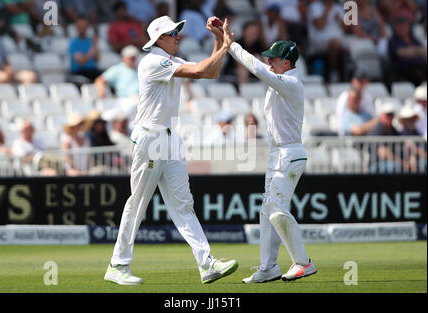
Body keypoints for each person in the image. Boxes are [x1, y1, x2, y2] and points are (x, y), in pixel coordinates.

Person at [104, 15, 238, 286]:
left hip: (171, 139)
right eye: (172, 33)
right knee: (139, 203)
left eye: (177, 31)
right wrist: (224, 46)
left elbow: (210, 72)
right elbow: (201, 71)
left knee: (183, 205)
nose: (177, 35)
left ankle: (206, 263)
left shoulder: (172, 60)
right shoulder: (153, 61)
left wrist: (217, 40)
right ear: (158, 40)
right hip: (150, 139)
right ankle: (117, 265)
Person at [223, 19, 317, 282]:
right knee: (268, 209)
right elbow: (262, 69)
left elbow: (256, 69)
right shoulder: (281, 80)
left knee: (275, 207)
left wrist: (231, 45)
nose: (269, 62)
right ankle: (268, 268)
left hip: (289, 153)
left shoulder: (291, 83)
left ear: (286, 63)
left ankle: (303, 262)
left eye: (274, 59)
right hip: (277, 153)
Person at [306, 0, 346, 82]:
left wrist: (339, 20)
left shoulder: (338, 7)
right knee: (334, 45)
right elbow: (319, 25)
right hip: (318, 41)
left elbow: (346, 28)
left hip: (339, 40)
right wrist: (327, 10)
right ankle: (334, 73)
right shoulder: (315, 6)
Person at [388, 16, 427, 86]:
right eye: (401, 26)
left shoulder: (413, 39)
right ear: (396, 28)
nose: (404, 28)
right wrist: (417, 51)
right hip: (406, 70)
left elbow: (424, 51)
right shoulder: (393, 41)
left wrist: (415, 51)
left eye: (405, 25)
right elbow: (402, 53)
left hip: (422, 66)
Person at [69, 16, 101, 82]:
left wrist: (95, 44)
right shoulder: (73, 43)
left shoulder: (91, 41)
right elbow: (81, 61)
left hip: (92, 71)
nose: (83, 28)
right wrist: (90, 53)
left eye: (84, 26)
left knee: (106, 77)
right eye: (80, 26)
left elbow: (97, 59)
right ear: (77, 28)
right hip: (79, 72)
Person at [61, 111, 90, 176]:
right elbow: (67, 159)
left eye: (81, 124)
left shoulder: (86, 140)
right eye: (78, 124)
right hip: (72, 173)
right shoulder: (67, 141)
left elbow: (88, 157)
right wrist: (78, 171)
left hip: (85, 172)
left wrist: (86, 171)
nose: (80, 126)